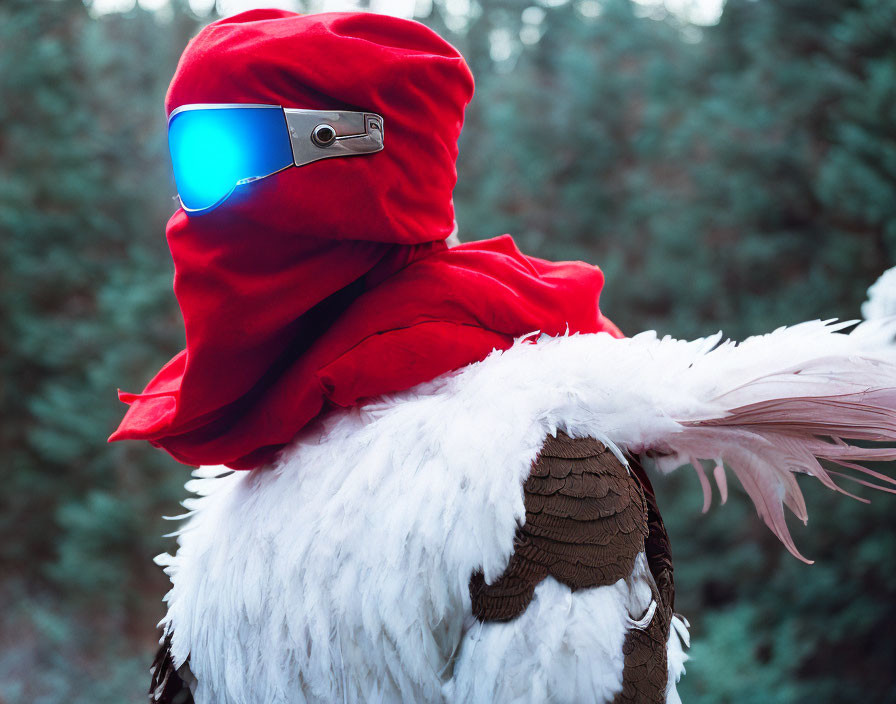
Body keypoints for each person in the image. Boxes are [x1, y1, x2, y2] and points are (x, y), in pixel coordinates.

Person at [117, 10, 896, 704]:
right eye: (186, 162)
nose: (194, 207)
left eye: (220, 156)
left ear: (342, 154)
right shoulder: (246, 482)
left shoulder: (532, 472)